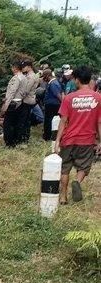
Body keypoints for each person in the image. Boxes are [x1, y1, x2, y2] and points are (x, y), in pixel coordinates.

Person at [54, 65, 101, 204]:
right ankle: (77, 181)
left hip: (68, 139)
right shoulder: (98, 98)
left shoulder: (68, 98)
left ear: (77, 80)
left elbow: (63, 120)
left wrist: (57, 140)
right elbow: (99, 123)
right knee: (84, 167)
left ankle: (63, 196)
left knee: (65, 168)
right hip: (87, 139)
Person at [0, 61, 27, 147]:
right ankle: (16, 141)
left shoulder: (16, 78)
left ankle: (9, 143)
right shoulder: (24, 78)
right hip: (20, 102)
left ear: (15, 68)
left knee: (7, 124)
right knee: (16, 123)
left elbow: (11, 93)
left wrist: (5, 106)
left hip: (13, 103)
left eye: (12, 67)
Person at [20, 60, 39, 144]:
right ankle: (24, 137)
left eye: (24, 67)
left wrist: (19, 97)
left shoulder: (31, 76)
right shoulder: (29, 75)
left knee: (25, 120)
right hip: (28, 99)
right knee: (25, 120)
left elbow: (26, 90)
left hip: (27, 100)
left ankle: (24, 138)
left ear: (29, 67)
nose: (22, 68)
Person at [42, 69, 64, 141]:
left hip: (52, 105)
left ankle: (47, 136)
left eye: (44, 76)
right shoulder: (54, 82)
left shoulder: (53, 83)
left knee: (48, 121)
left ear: (48, 76)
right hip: (53, 104)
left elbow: (58, 94)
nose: (43, 78)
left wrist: (63, 103)